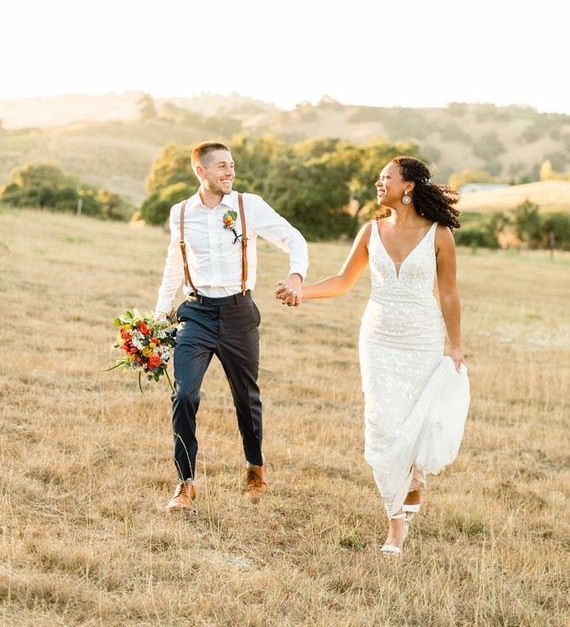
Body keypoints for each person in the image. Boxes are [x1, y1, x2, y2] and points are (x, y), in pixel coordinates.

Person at [276, 155, 470, 556]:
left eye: (387, 177)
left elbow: (449, 293)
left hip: (421, 338)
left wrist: (456, 345)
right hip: (378, 338)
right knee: (382, 422)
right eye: (379, 178)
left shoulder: (439, 235)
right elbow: (344, 280)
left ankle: (414, 480)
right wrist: (302, 291)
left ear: (409, 186)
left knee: (416, 420)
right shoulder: (371, 230)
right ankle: (394, 523)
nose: (379, 183)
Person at [154, 141, 309, 510]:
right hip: (195, 314)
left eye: (232, 165)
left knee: (246, 398)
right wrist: (160, 313)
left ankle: (255, 467)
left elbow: (293, 238)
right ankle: (185, 482)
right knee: (185, 395)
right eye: (221, 166)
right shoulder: (180, 214)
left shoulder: (247, 206)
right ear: (200, 172)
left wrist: (297, 276)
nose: (230, 172)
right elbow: (174, 266)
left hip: (239, 313)